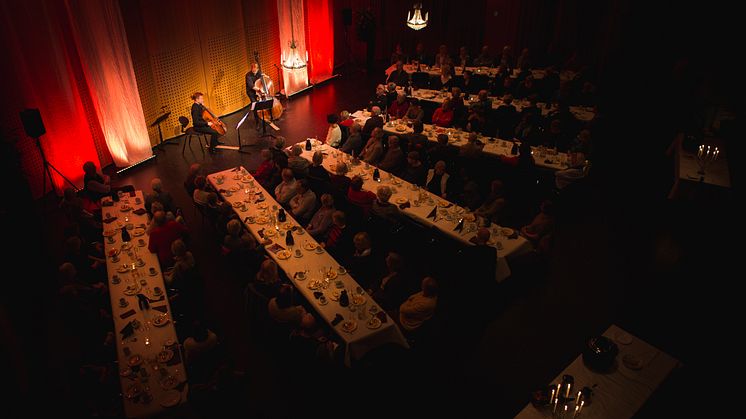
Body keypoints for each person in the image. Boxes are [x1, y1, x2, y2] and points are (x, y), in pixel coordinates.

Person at [245, 62, 263, 127]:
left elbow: (264, 78)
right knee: (255, 105)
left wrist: (266, 77)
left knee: (264, 103)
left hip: (259, 91)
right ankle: (257, 122)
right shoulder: (248, 75)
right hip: (251, 93)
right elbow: (251, 86)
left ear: (257, 68)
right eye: (252, 68)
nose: (253, 69)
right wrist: (259, 90)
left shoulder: (259, 73)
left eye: (255, 68)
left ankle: (265, 117)